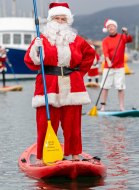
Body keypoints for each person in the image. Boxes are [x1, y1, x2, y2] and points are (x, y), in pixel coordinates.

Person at [24, 2, 95, 163]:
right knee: (45, 123)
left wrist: (79, 73)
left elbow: (90, 55)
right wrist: (35, 49)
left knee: (73, 125)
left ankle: (75, 155)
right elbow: (29, 61)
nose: (60, 21)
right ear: (51, 20)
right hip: (48, 85)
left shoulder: (76, 40)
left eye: (64, 19)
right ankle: (43, 157)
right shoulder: (41, 39)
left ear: (68, 21)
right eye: (57, 18)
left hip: (72, 86)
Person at [100, 19, 133, 111]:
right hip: (108, 67)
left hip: (120, 67)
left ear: (116, 27)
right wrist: (108, 61)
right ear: (107, 29)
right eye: (109, 27)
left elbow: (130, 39)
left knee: (120, 87)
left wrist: (126, 32)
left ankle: (121, 107)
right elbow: (105, 52)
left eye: (112, 26)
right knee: (105, 87)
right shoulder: (105, 40)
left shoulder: (122, 36)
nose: (111, 28)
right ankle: (103, 107)